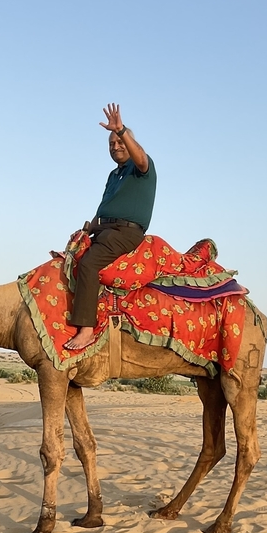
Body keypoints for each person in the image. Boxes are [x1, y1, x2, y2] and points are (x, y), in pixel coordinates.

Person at [65, 103, 157, 351]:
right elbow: (103, 209)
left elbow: (140, 156)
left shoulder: (141, 168)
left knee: (89, 264)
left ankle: (86, 329)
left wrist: (121, 129)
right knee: (71, 260)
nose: (116, 147)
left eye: (120, 143)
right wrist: (84, 233)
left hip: (125, 233)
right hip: (104, 230)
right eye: (112, 145)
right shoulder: (113, 175)